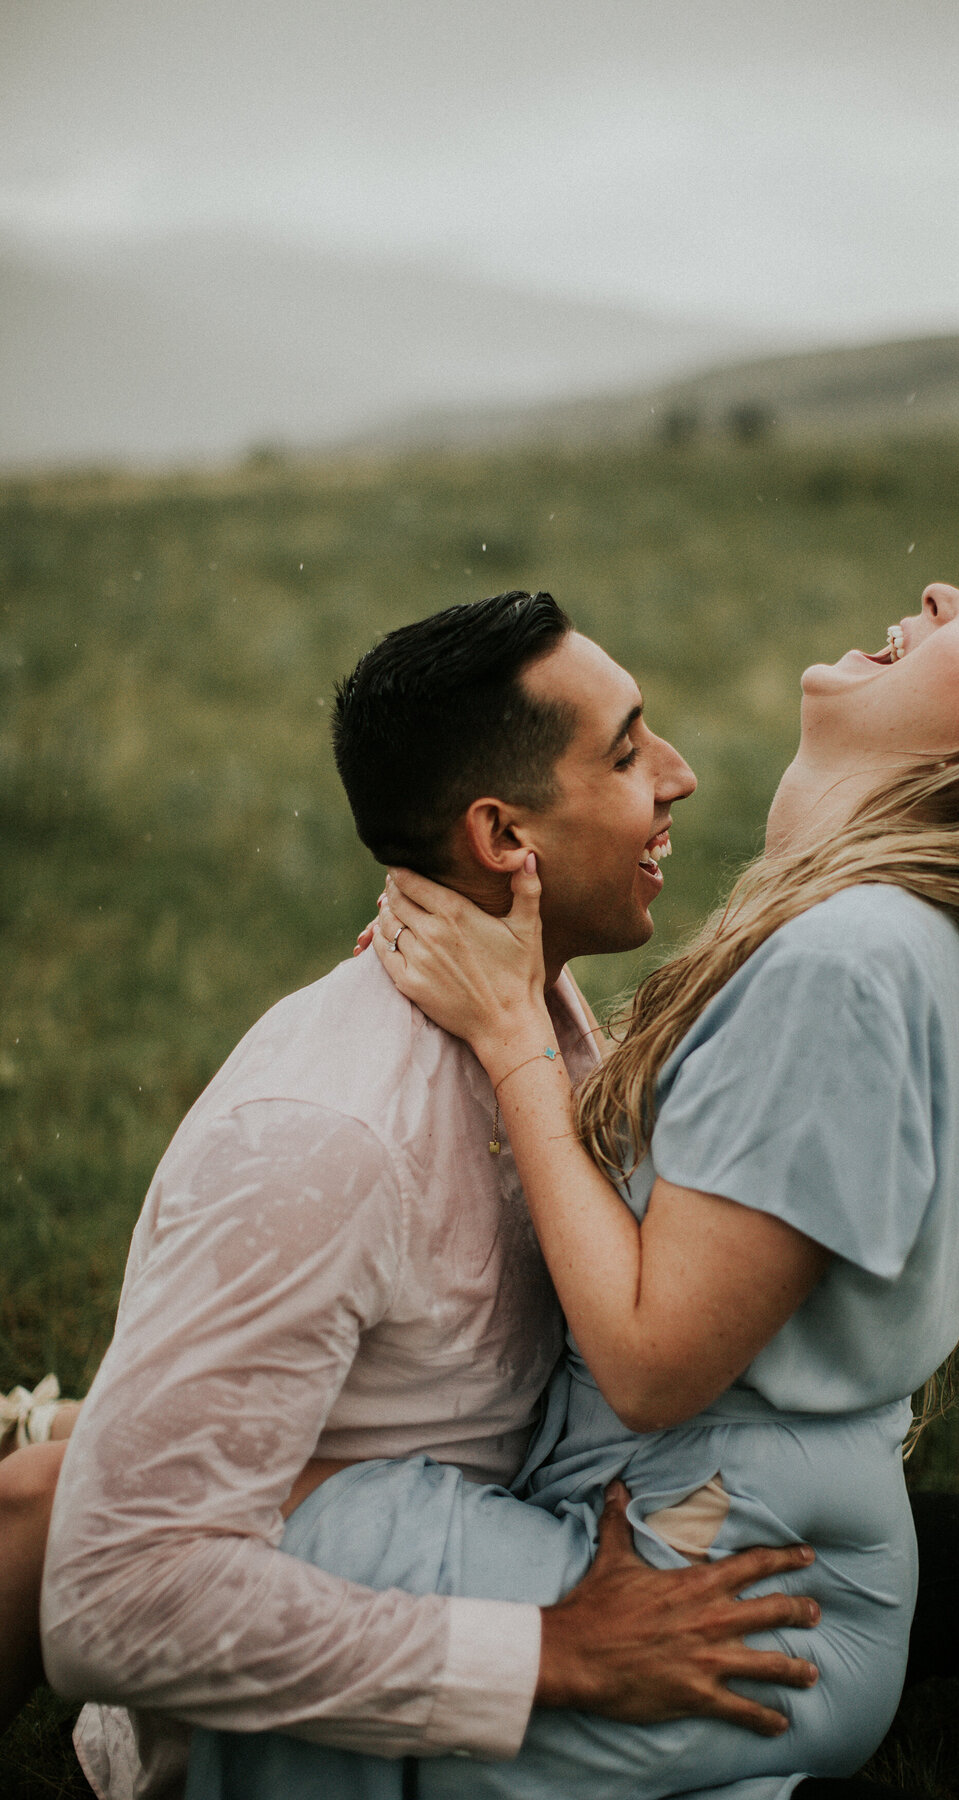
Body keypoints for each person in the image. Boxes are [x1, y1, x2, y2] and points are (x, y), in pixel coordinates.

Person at [182, 581, 959, 1800]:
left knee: (282, 1555)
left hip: (716, 1594)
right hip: (737, 1557)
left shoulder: (852, 962)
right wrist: (520, 988)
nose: (941, 594)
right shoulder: (873, 942)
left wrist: (508, 1035)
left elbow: (653, 1362)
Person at [29, 591, 824, 1800]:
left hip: (499, 1547)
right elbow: (116, 1604)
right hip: (291, 1753)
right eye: (625, 750)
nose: (681, 775)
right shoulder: (324, 1139)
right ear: (505, 839)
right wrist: (552, 1655)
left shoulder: (537, 1009)